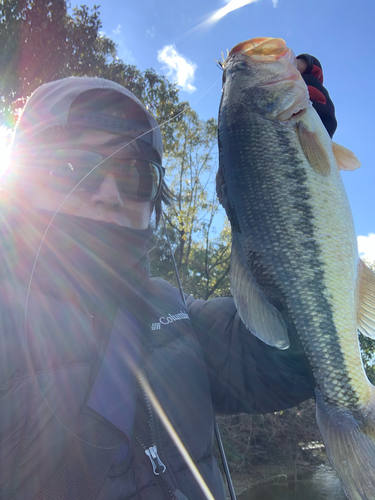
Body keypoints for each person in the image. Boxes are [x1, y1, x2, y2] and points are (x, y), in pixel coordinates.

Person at [0, 54, 336, 500]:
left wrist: (285, 187)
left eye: (135, 175)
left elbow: (289, 358)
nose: (108, 192)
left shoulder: (179, 315)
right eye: (75, 170)